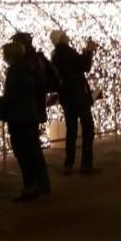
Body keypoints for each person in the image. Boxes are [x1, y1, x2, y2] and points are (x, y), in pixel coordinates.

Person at [0, 41, 51, 201]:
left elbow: (12, 97)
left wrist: (1, 105)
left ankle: (30, 186)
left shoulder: (15, 72)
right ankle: (42, 183)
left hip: (19, 117)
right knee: (34, 151)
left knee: (23, 152)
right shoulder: (30, 69)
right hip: (30, 115)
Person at [50, 31, 98, 176]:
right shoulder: (68, 52)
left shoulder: (55, 55)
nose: (67, 36)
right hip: (78, 95)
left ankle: (68, 164)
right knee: (88, 128)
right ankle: (86, 164)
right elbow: (85, 66)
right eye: (64, 35)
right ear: (61, 39)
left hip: (66, 97)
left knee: (71, 131)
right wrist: (88, 51)